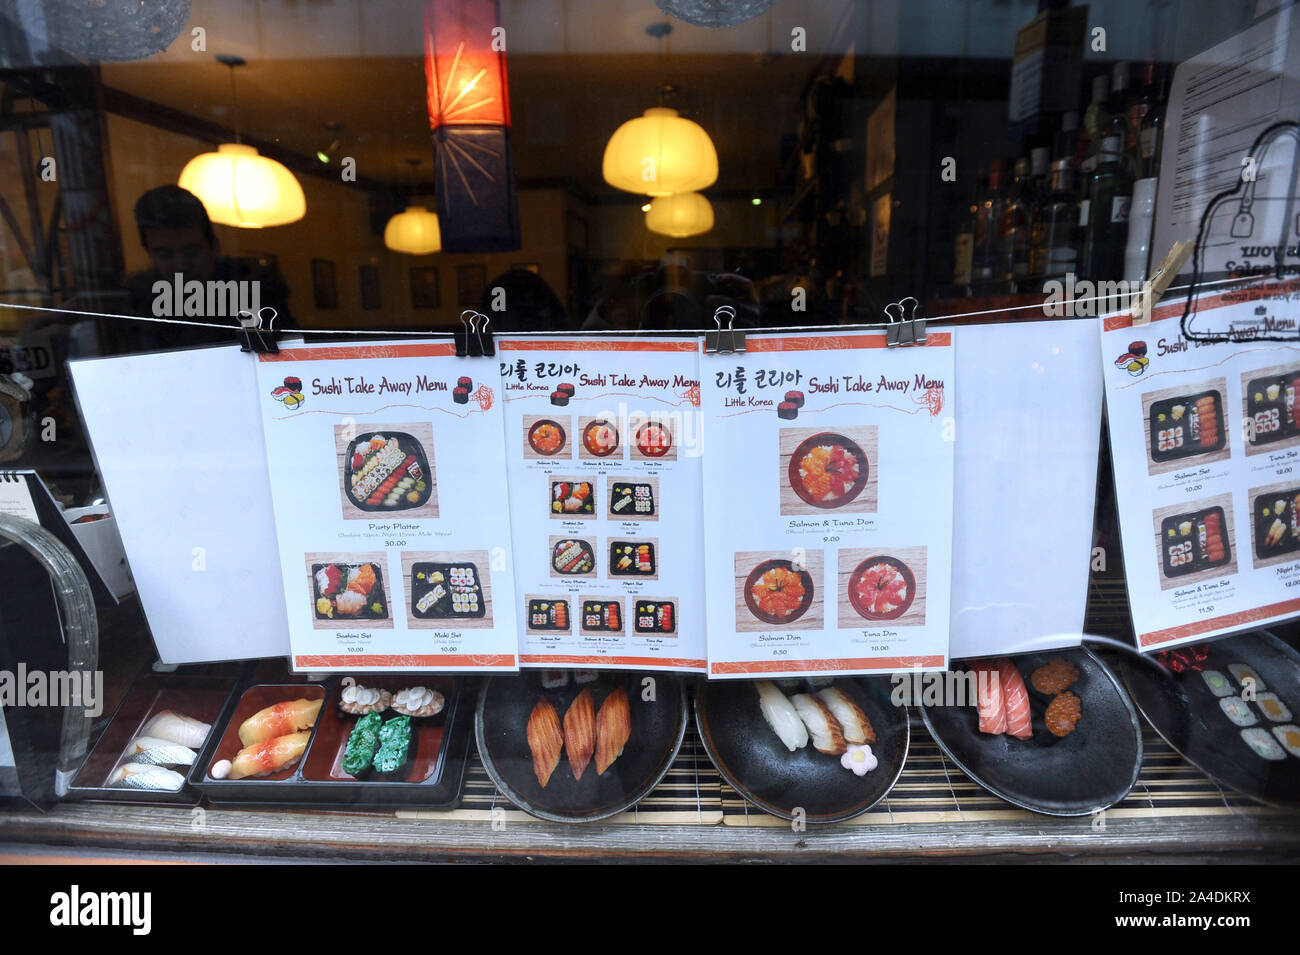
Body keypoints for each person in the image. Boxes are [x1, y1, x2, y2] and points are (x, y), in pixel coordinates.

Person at [116, 185, 296, 352]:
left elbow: (286, 357)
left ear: (215, 247)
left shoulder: (256, 296)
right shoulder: (136, 305)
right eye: (165, 255)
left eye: (191, 252)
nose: (180, 264)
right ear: (149, 255)